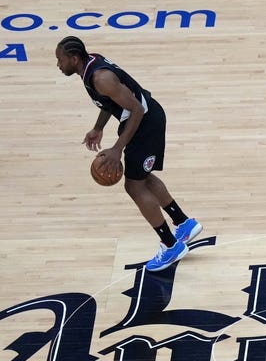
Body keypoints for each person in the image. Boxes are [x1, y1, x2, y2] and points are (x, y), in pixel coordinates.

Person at [55, 35, 201, 271]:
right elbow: (110, 103)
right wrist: (99, 128)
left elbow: (137, 109)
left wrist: (117, 150)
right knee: (140, 177)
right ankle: (184, 223)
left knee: (133, 186)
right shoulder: (89, 68)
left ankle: (171, 246)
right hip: (140, 121)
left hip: (145, 121)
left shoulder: (101, 77)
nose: (58, 65)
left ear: (73, 58)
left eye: (60, 60)